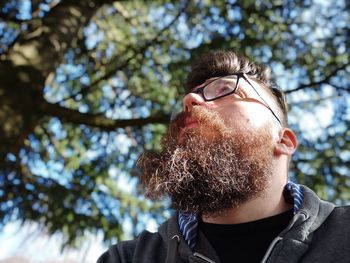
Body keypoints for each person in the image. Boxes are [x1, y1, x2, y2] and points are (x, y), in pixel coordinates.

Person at [97, 51, 350, 263]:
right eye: (190, 97)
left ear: (283, 141)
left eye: (225, 90)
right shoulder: (130, 258)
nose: (190, 100)